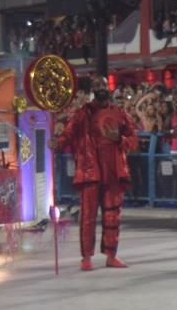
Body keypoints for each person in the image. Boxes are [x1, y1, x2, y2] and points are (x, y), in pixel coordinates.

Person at [56, 86, 137, 270]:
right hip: (90, 171)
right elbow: (69, 132)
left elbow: (133, 139)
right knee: (87, 217)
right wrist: (58, 143)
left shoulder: (119, 113)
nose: (101, 90)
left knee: (113, 216)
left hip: (113, 172)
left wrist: (119, 139)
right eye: (98, 86)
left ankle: (111, 255)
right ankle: (86, 257)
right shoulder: (82, 114)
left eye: (104, 85)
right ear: (93, 91)